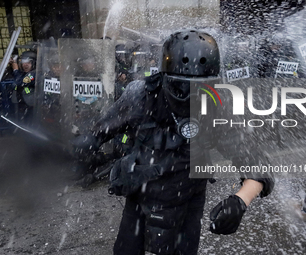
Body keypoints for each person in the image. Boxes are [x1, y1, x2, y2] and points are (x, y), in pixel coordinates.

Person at [73, 29, 274, 254]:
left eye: (200, 90)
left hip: (187, 197)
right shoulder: (141, 95)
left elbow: (257, 164)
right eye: (181, 88)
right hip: (141, 189)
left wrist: (240, 201)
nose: (190, 97)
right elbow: (99, 132)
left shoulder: (219, 106)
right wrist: (85, 147)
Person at [9, 50, 37, 124]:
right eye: (23, 62)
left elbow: (21, 82)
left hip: (30, 104)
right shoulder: (23, 73)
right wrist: (11, 64)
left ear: (33, 63)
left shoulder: (33, 74)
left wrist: (15, 69)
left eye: (28, 62)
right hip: (22, 103)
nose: (25, 65)